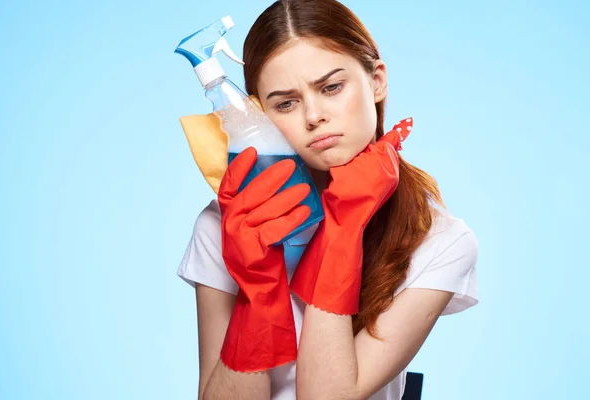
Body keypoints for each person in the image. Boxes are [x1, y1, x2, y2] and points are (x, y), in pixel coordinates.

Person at [177, 1, 479, 399]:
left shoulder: (440, 241)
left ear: (377, 81)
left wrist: (342, 230)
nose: (314, 116)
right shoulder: (225, 225)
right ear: (259, 115)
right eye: (286, 102)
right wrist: (258, 295)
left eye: (331, 87)